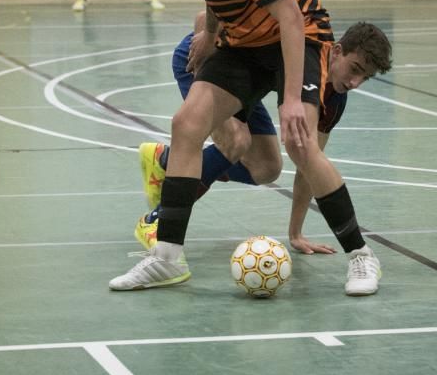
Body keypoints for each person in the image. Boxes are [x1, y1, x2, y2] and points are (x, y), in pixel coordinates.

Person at [108, 0, 382, 296]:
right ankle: (165, 259)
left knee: (300, 144)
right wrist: (211, 36)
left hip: (297, 36)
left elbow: (290, 17)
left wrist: (291, 98)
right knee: (186, 125)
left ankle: (362, 257)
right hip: (243, 42)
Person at [135, 18, 393, 257]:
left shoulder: (334, 99)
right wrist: (208, 36)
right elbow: (204, 15)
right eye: (354, 69)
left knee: (267, 168)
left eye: (365, 77)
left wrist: (295, 234)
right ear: (336, 51)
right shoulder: (301, 44)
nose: (356, 82)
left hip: (247, 85)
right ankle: (155, 221)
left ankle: (166, 160)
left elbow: (309, 166)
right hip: (201, 62)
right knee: (236, 141)